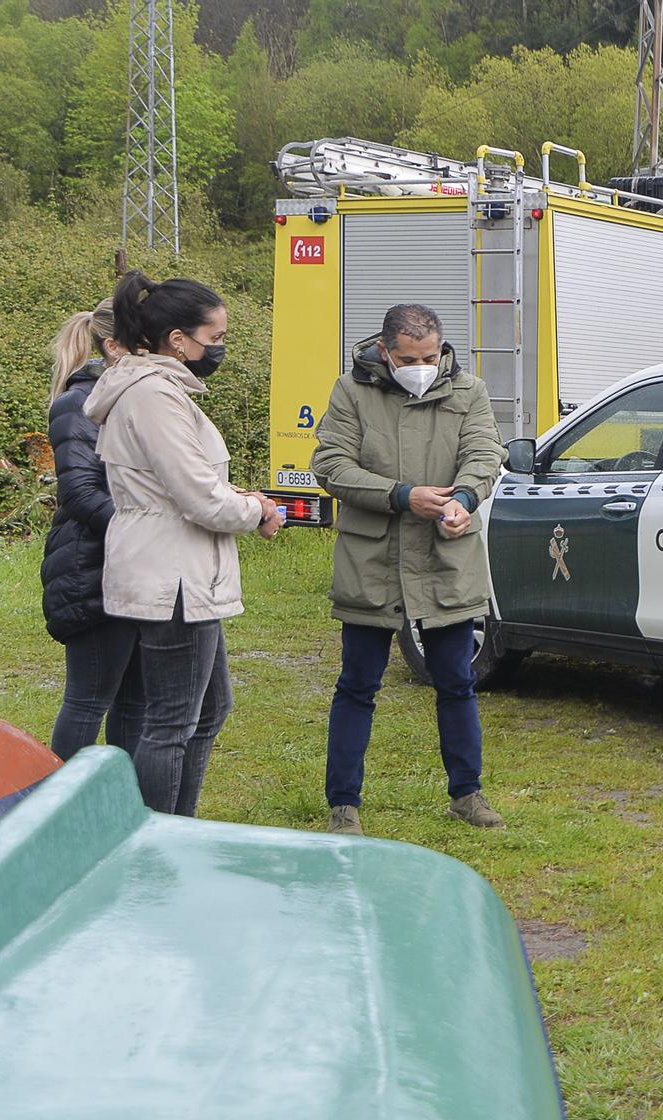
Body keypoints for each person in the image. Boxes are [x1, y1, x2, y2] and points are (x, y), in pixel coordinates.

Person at [87, 271, 284, 816]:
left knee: (210, 708)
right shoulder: (153, 395)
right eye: (214, 338)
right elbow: (198, 498)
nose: (219, 349)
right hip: (170, 575)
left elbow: (184, 482)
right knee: (172, 720)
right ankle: (157, 839)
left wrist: (233, 496)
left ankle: (179, 826)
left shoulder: (160, 390)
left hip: (180, 570)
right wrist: (256, 509)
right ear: (178, 340)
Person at [310, 303, 505, 835]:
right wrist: (400, 496)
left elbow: (485, 453)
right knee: (357, 685)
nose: (422, 365)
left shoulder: (470, 391)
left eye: (431, 355)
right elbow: (331, 465)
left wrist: (465, 497)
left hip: (446, 557)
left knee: (457, 682)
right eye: (408, 357)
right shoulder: (351, 391)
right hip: (372, 560)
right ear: (385, 352)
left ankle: (467, 795)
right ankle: (343, 805)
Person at [41, 300, 146, 760]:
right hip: (91, 568)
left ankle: (123, 806)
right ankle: (62, 811)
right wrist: (147, 532)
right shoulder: (77, 404)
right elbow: (81, 493)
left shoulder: (139, 396)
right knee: (88, 701)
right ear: (114, 345)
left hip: (134, 564)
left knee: (135, 700)